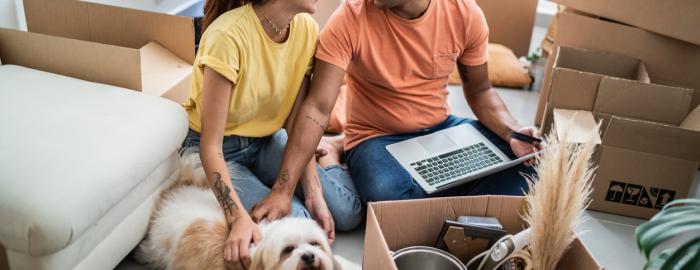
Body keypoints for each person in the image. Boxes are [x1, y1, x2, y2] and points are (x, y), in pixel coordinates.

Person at [260, 0, 544, 206]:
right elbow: (317, 108)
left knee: (531, 168)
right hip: (376, 138)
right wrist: (283, 191)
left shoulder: (465, 13)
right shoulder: (350, 17)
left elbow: (481, 91)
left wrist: (513, 132)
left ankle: (427, 204)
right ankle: (455, 201)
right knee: (385, 192)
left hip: (441, 130)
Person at [180, 0, 363, 269]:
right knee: (298, 222)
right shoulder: (226, 37)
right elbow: (211, 146)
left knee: (348, 212)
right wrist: (237, 217)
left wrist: (312, 192)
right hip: (218, 151)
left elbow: (295, 121)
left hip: (266, 138)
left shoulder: (306, 29)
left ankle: (330, 154)